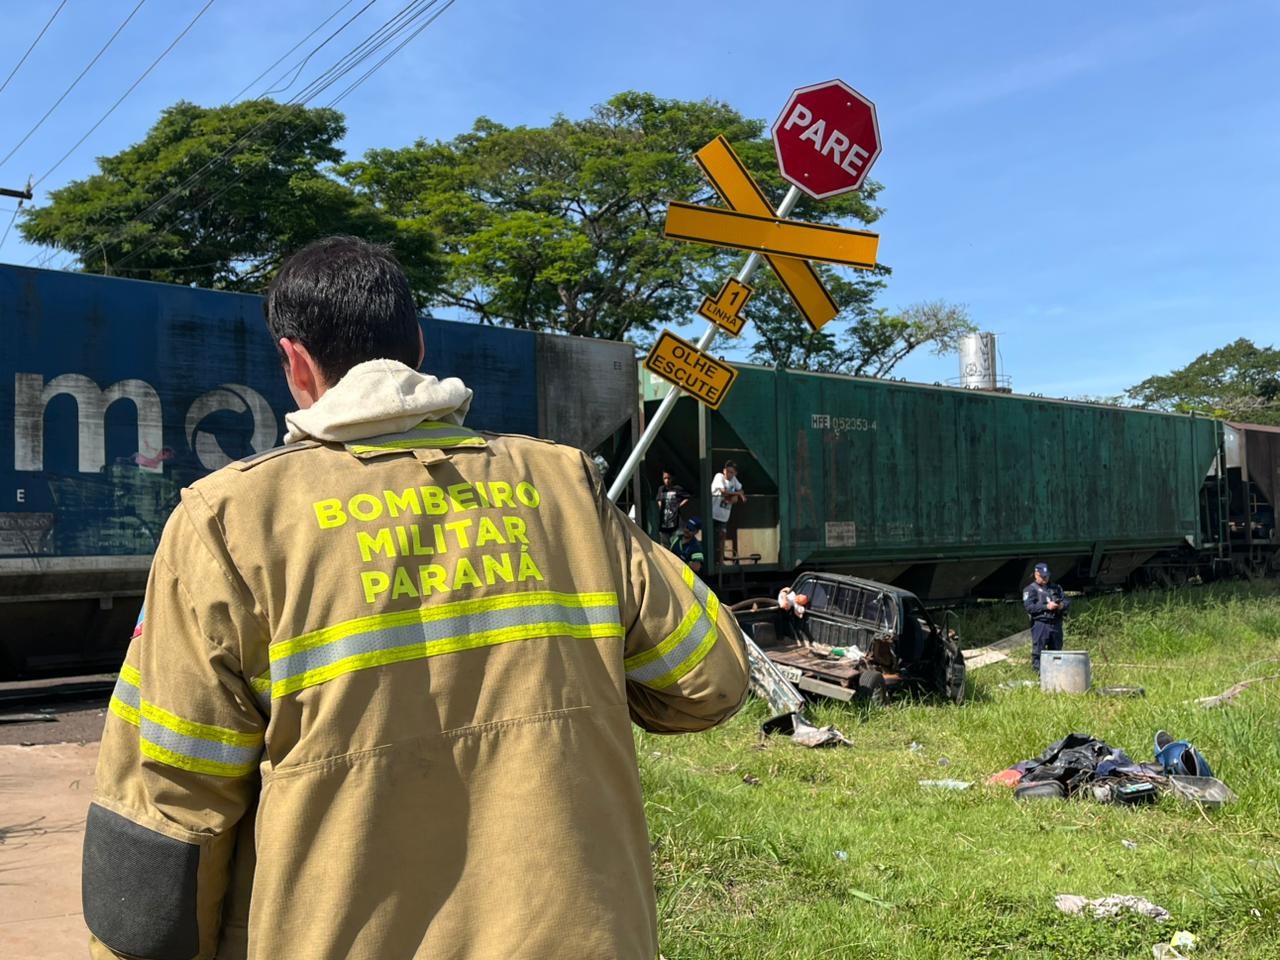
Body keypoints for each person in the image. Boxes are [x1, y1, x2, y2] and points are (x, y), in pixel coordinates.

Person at [83, 236, 750, 960]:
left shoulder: (226, 524)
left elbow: (170, 812)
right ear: (418, 347)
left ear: (296, 362)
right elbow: (711, 682)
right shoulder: (565, 486)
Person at [1023, 561, 1070, 671]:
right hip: (1041, 624)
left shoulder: (1056, 588)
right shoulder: (1030, 589)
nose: (1045, 579)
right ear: (1036, 574)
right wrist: (1046, 607)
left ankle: (1056, 674)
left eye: (1047, 576)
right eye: (1043, 577)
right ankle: (1039, 675)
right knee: (1038, 652)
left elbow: (1067, 601)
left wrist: (1061, 605)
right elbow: (1030, 607)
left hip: (1056, 623)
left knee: (1057, 651)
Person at [710, 460, 746, 562]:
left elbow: (741, 489)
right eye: (727, 471)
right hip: (713, 514)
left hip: (724, 516)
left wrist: (737, 495)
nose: (728, 474)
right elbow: (724, 491)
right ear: (723, 470)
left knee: (722, 538)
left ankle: (720, 561)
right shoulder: (719, 477)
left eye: (731, 472)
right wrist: (738, 495)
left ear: (735, 473)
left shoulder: (734, 480)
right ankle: (711, 560)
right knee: (712, 538)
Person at [655, 469, 690, 541]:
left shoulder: (677, 488)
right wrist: (661, 507)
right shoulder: (661, 489)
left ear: (672, 478)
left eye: (668, 478)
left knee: (676, 539)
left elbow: (687, 497)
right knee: (664, 540)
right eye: (665, 478)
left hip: (675, 519)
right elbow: (658, 499)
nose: (667, 480)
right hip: (664, 520)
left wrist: (679, 506)